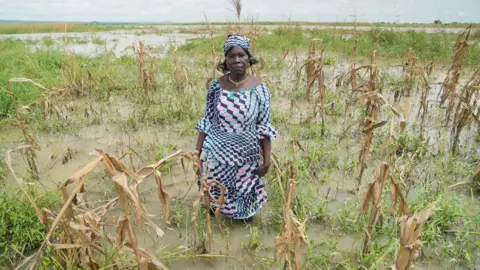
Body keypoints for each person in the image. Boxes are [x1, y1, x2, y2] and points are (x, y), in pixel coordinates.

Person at [194, 33, 278, 222]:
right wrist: (196, 153)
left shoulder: (260, 89)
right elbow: (207, 120)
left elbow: (263, 127)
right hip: (216, 155)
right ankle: (218, 235)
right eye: (231, 56)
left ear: (249, 58)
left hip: (246, 157)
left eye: (241, 55)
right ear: (226, 59)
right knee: (215, 200)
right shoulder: (217, 86)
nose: (237, 60)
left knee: (245, 207)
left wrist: (266, 160)